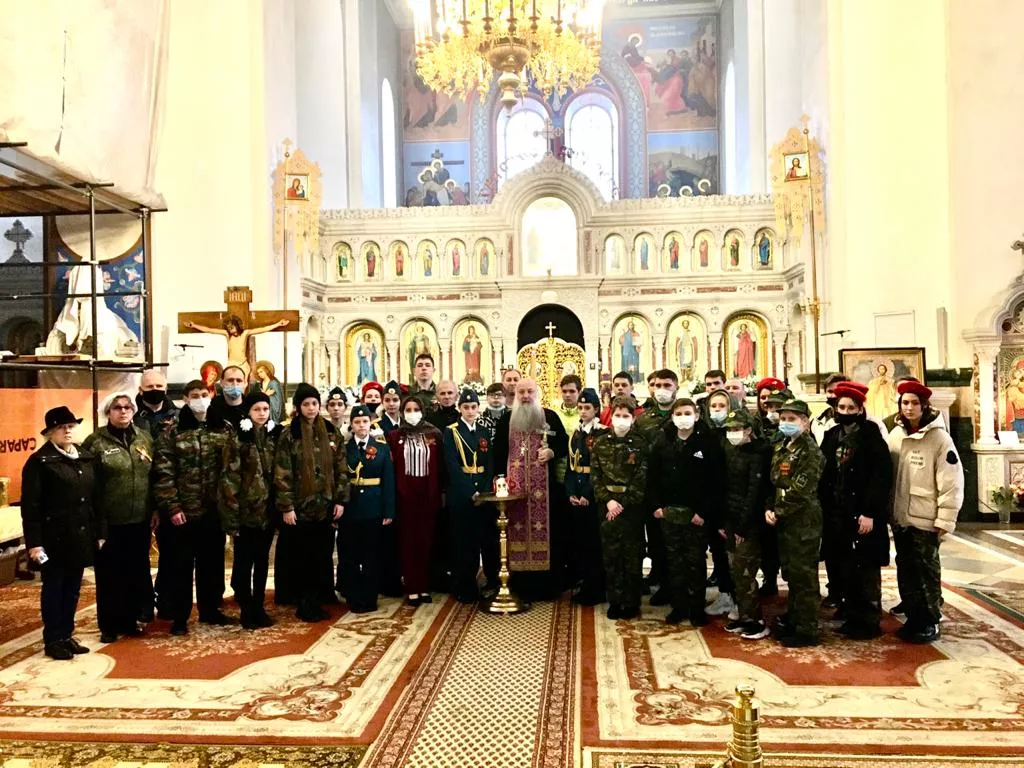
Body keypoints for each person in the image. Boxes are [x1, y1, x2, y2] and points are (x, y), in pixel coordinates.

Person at [21, 406, 105, 660]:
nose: (67, 431)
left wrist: (100, 532)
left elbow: (97, 499)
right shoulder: (40, 462)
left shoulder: (86, 458)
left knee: (73, 588)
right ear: (49, 433)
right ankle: (54, 638)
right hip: (53, 538)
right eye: (60, 427)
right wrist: (34, 543)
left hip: (80, 535)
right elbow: (31, 507)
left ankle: (67, 634)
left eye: (70, 426)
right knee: (54, 588)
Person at [154, 379, 235, 635]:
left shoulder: (223, 427)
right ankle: (180, 616)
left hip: (213, 509)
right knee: (181, 565)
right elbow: (163, 470)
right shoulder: (172, 430)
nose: (200, 399)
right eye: (194, 395)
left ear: (210, 395)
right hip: (184, 512)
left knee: (212, 564)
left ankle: (211, 610)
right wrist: (173, 506)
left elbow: (232, 468)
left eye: (203, 394)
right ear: (186, 399)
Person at [887, 380, 964, 644]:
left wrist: (945, 518)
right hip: (902, 517)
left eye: (914, 403)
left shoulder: (939, 438)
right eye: (905, 403)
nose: (909, 408)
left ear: (924, 406)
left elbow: (951, 481)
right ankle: (913, 617)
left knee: (926, 572)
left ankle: (930, 620)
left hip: (926, 517)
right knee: (906, 569)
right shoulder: (896, 435)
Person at [819, 383, 894, 640]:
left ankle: (869, 619)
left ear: (860, 409)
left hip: (863, 513)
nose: (846, 411)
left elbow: (880, 478)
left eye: (851, 407)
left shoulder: (871, 437)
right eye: (841, 407)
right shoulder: (832, 435)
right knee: (844, 566)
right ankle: (850, 613)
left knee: (866, 569)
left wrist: (870, 512)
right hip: (837, 514)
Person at [83, 392, 154, 644]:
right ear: (108, 412)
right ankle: (109, 625)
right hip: (109, 521)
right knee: (110, 574)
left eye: (127, 407)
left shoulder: (144, 439)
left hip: (140, 518)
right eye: (117, 408)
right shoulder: (95, 442)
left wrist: (154, 510)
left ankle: (132, 619)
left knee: (136, 570)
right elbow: (88, 485)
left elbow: (153, 476)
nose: (123, 412)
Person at [648, 398, 726, 625]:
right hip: (669, 513)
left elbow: (716, 482)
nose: (683, 418)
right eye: (679, 413)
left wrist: (704, 512)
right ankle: (679, 606)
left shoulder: (708, 442)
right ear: (672, 416)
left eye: (687, 413)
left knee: (695, 562)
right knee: (674, 561)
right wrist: (657, 507)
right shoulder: (663, 441)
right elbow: (652, 477)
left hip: (696, 515)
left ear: (697, 415)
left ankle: (696, 608)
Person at [274, 383, 348, 621]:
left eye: (314, 403)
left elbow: (341, 468)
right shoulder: (289, 433)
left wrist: (340, 500)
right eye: (306, 404)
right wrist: (287, 507)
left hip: (324, 505)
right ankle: (305, 603)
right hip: (301, 507)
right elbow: (282, 472)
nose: (310, 408)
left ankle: (321, 596)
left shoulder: (330, 431)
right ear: (298, 407)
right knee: (303, 557)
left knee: (322, 554)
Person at [492, 378, 569, 599]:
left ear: (538, 394)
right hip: (513, 492)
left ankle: (548, 586)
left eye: (530, 392)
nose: (526, 396)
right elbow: (498, 454)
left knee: (551, 535)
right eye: (521, 392)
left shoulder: (550, 417)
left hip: (546, 491)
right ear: (515, 395)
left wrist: (552, 452)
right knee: (513, 533)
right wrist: (499, 480)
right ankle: (518, 586)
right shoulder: (507, 420)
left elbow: (563, 443)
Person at [764, 399, 825, 647]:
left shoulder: (810, 451)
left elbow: (801, 490)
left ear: (805, 422)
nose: (786, 423)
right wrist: (770, 506)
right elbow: (776, 482)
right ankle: (795, 617)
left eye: (792, 419)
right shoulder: (783, 446)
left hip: (803, 520)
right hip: (784, 519)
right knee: (791, 572)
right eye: (784, 419)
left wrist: (777, 511)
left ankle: (807, 629)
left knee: (804, 576)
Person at [223, 391, 282, 629]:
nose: (261, 414)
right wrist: (232, 511)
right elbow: (230, 477)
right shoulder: (238, 438)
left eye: (265, 410)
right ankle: (246, 607)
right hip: (246, 511)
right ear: (248, 412)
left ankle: (259, 605)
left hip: (267, 511)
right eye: (257, 410)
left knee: (262, 561)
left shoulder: (273, 437)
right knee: (244, 560)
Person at [591, 397, 649, 619]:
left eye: (626, 416)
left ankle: (631, 602)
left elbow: (641, 477)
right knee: (611, 555)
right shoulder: (601, 442)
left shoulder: (641, 443)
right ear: (611, 416)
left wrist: (623, 503)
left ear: (633, 418)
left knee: (632, 555)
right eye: (618, 416)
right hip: (607, 507)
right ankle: (615, 601)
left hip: (631, 507)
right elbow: (596, 475)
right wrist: (608, 500)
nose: (621, 420)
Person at [720, 408, 773, 640]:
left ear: (749, 430)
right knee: (735, 571)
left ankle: (755, 620)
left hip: (748, 524)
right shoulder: (731, 451)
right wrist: (725, 522)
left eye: (737, 429)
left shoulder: (758, 455)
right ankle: (743, 615)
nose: (732, 433)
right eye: (730, 430)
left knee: (745, 572)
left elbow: (754, 494)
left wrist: (742, 527)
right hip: (731, 520)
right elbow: (726, 488)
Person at [387, 395, 444, 605]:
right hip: (405, 494)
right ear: (402, 413)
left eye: (415, 409)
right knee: (407, 541)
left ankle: (423, 586)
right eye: (408, 409)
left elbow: (440, 466)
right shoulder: (394, 436)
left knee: (426, 540)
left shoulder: (433, 434)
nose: (412, 413)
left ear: (422, 411)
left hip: (428, 493)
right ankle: (411, 587)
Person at [340, 404, 395, 613]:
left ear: (370, 424)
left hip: (374, 507)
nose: (361, 425)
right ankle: (354, 596)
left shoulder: (381, 448)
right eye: (357, 422)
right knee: (351, 555)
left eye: (365, 422)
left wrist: (389, 511)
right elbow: (340, 479)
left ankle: (370, 597)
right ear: (352, 425)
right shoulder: (344, 450)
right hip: (351, 508)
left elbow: (388, 481)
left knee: (372, 555)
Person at [443, 390, 496, 603]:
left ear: (478, 408)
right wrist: (470, 492)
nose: (471, 411)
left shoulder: (483, 431)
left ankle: (491, 582)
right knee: (465, 543)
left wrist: (483, 490)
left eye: (474, 407)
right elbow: (452, 465)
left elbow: (489, 462)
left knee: (487, 539)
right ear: (460, 409)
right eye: (466, 408)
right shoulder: (451, 432)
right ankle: (465, 586)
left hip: (483, 493)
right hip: (462, 494)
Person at [633, 369, 679, 603]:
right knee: (657, 538)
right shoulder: (643, 419)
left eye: (666, 385)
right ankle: (661, 580)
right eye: (657, 385)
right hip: (652, 488)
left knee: (678, 541)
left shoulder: (684, 414)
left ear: (676, 386)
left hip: (678, 489)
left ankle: (678, 586)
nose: (661, 389)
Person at [134, 368, 177, 620]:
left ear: (166, 388)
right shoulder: (130, 414)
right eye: (149, 387)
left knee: (170, 553)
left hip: (167, 493)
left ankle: (167, 599)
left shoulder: (178, 416)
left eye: (159, 386)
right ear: (141, 390)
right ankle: (142, 604)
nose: (154, 391)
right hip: (139, 493)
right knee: (138, 555)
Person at [565, 388, 607, 605]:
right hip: (578, 493)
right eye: (580, 408)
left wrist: (589, 494)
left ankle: (597, 587)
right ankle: (585, 582)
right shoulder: (576, 433)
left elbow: (601, 470)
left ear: (596, 409)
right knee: (580, 541)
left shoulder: (602, 434)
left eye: (587, 408)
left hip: (593, 494)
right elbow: (572, 467)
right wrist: (571, 492)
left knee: (594, 543)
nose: (582, 411)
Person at [552, 375, 583, 588]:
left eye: (572, 391)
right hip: (559, 476)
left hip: (581, 477)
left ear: (579, 391)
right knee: (560, 528)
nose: (568, 395)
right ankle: (562, 570)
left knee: (579, 529)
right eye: (565, 391)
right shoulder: (554, 415)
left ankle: (578, 570)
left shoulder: (585, 412)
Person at [811, 373, 851, 444]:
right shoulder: (816, 421)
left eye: (838, 391)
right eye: (830, 391)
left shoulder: (854, 422)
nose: (833, 396)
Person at [208, 365, 248, 430]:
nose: (235, 384)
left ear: (245, 383)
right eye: (230, 380)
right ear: (221, 382)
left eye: (239, 380)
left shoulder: (252, 407)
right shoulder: (212, 407)